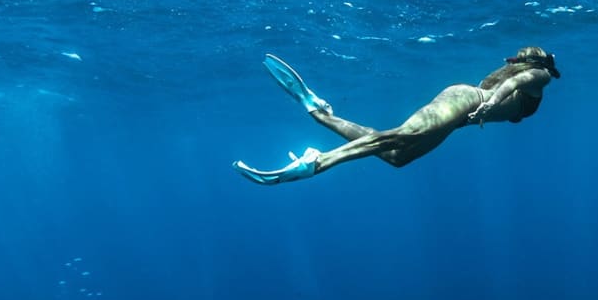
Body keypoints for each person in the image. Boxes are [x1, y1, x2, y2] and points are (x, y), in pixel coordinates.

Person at [233, 47, 560, 185]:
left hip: (459, 113)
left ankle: (319, 112)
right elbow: (515, 83)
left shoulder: (522, 76)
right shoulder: (542, 76)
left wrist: (490, 104)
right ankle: (318, 162)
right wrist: (492, 103)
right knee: (402, 136)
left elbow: (512, 82)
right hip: (463, 102)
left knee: (396, 156)